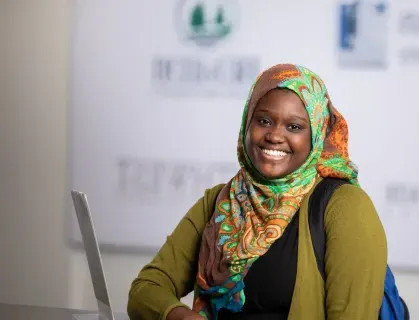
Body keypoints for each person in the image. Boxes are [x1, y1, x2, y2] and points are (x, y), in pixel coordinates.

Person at [127, 63, 388, 320]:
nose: (274, 136)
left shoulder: (345, 206)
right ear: (247, 123)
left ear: (317, 135)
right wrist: (178, 315)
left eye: (294, 127)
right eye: (264, 121)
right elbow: (147, 288)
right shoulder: (220, 202)